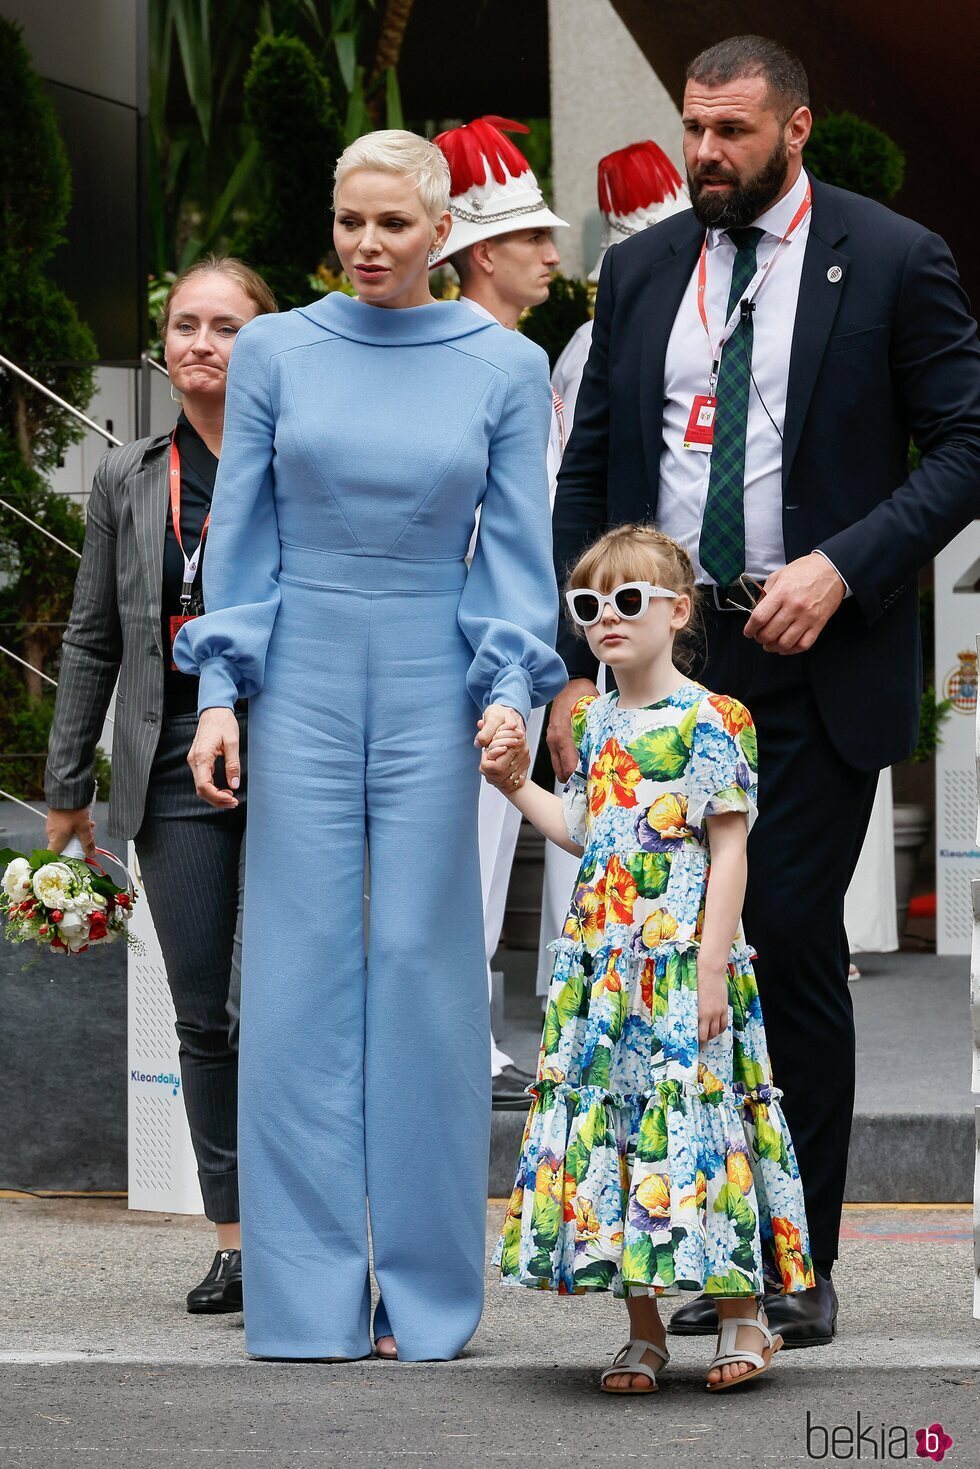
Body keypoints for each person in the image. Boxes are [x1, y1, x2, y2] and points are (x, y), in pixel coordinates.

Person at [549, 33, 980, 1348]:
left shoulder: (892, 259)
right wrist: (584, 661)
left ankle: (800, 1262)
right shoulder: (636, 271)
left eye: (731, 132)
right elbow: (593, 471)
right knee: (677, 953)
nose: (704, 155)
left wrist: (844, 570)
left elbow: (966, 442)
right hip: (668, 668)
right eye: (693, 127)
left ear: (795, 132)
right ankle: (713, 1251)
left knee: (781, 941)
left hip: (814, 661)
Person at [173, 130, 566, 1364]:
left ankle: (426, 1291)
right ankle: (304, 1298)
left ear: (440, 225)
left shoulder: (503, 363)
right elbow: (241, 532)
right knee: (291, 979)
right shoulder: (278, 347)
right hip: (295, 677)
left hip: (429, 686)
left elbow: (513, 549)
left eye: (393, 222)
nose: (368, 244)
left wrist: (511, 685)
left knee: (422, 971)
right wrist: (223, 693)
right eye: (351, 221)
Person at [483, 524, 812, 1393]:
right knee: (617, 1130)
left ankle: (744, 1316)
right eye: (588, 606)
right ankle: (643, 1327)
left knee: (710, 1122)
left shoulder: (715, 718)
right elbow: (584, 832)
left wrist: (710, 966)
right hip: (604, 968)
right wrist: (517, 785)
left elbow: (731, 850)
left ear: (677, 609)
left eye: (628, 601)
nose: (606, 620)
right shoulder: (591, 721)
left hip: (683, 960)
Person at [44, 255, 277, 1312]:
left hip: (295, 749)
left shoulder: (296, 464)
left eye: (224, 325)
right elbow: (91, 640)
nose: (200, 343)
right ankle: (234, 1236)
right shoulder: (128, 475)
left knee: (303, 1002)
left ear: (264, 342)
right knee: (203, 1012)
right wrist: (66, 795)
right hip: (168, 762)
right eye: (185, 323)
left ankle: (321, 1220)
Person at [432, 115, 567, 1106]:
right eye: (533, 239)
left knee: (493, 841)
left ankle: (472, 1035)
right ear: (483, 254)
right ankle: (458, 1039)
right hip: (475, 643)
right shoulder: (470, 360)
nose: (553, 256)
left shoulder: (520, 358)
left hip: (520, 638)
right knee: (467, 850)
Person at [535, 140, 690, 1002]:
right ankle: (586, 973)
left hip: (692, 607)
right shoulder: (594, 343)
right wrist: (574, 648)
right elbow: (575, 488)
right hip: (620, 607)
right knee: (600, 786)